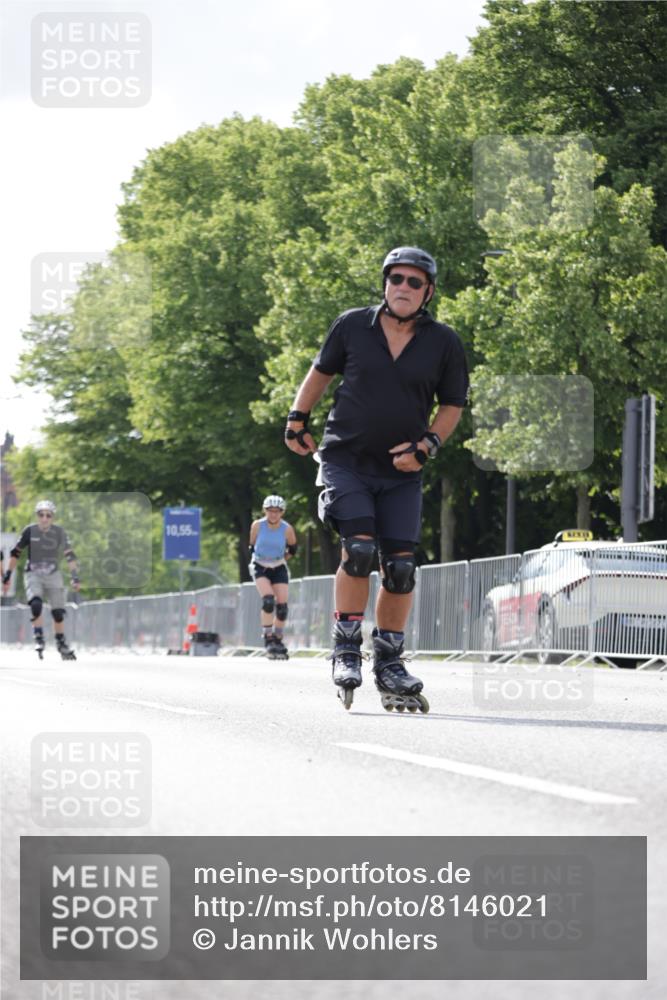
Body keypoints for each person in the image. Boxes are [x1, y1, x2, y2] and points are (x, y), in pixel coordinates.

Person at [284, 246, 469, 710]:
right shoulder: (352, 325)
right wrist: (296, 419)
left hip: (402, 470)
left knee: (402, 568)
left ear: (428, 291)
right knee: (360, 549)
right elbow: (320, 373)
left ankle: (388, 659)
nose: (403, 288)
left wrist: (427, 446)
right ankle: (346, 647)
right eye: (396, 279)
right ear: (385, 283)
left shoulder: (443, 342)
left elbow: (452, 407)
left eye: (414, 281)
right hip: (346, 460)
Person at [2, 499, 81, 659]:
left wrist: (75, 577)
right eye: (41, 515)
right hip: (33, 572)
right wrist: (8, 575)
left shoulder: (59, 532)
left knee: (58, 612)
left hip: (53, 573)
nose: (44, 518)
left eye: (48, 515)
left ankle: (61, 643)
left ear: (53, 517)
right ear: (37, 516)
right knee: (36, 604)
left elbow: (70, 555)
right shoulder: (29, 531)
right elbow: (16, 553)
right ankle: (39, 638)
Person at [248, 495, 297, 659]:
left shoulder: (287, 528)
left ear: (282, 512)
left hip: (279, 566)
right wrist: (262, 560)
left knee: (282, 607)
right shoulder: (257, 525)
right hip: (260, 566)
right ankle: (268, 637)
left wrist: (280, 559)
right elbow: (252, 545)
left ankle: (278, 638)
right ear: (265, 511)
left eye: (277, 511)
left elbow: (293, 549)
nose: (273, 514)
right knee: (268, 601)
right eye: (270, 511)